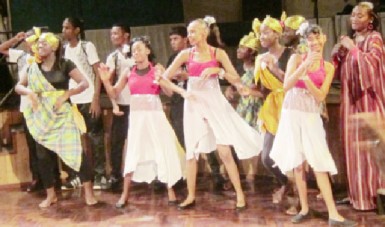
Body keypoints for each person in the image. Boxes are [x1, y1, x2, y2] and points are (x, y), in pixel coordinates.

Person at [161, 18, 262, 211]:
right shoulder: (185, 54)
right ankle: (191, 195)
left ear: (204, 33)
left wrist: (219, 71)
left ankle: (240, 194)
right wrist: (182, 91)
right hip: (193, 104)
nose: (190, 36)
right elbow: (164, 79)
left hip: (214, 102)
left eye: (193, 32)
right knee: (192, 152)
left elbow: (236, 78)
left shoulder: (218, 53)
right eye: (189, 32)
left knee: (224, 151)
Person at [270, 23, 356, 226]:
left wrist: (307, 79)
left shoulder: (328, 67)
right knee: (298, 163)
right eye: (310, 39)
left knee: (319, 162)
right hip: (292, 113)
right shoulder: (296, 58)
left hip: (310, 114)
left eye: (318, 39)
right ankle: (305, 208)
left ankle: (333, 214)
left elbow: (320, 96)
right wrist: (304, 65)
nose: (315, 43)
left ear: (324, 39)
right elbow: (286, 85)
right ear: (305, 41)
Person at [98, 36, 184, 208]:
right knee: (133, 152)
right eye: (133, 50)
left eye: (139, 48)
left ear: (148, 50)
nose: (135, 52)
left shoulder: (157, 68)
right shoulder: (128, 72)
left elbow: (168, 93)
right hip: (137, 118)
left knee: (162, 150)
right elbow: (114, 94)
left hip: (155, 116)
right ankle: (124, 194)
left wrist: (162, 79)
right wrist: (106, 80)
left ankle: (170, 192)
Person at [15, 32, 97, 208]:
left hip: (63, 116)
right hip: (42, 117)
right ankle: (51, 194)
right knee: (42, 156)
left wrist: (68, 93)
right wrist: (29, 92)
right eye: (38, 44)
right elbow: (18, 86)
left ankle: (89, 192)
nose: (39, 46)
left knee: (76, 153)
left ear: (53, 46)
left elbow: (84, 83)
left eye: (44, 43)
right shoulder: (32, 67)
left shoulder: (65, 64)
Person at [332, 1, 385, 211]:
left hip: (368, 101)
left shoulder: (375, 39)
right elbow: (340, 71)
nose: (354, 19)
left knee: (371, 150)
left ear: (370, 19)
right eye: (352, 15)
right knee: (353, 150)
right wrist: (338, 55)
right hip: (351, 100)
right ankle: (356, 195)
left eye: (360, 16)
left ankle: (374, 196)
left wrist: (353, 50)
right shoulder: (352, 39)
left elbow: (373, 67)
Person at [0, 27, 55, 192]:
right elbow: (1, 49)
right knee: (32, 146)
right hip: (27, 108)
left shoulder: (45, 58)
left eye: (31, 40)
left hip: (43, 107)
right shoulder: (22, 56)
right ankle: (37, 178)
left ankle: (54, 178)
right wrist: (16, 39)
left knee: (47, 144)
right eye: (27, 41)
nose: (28, 43)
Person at [62, 17, 106, 190]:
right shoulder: (64, 50)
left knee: (95, 137)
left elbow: (97, 73)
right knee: (73, 140)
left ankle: (100, 174)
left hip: (88, 99)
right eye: (63, 27)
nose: (64, 31)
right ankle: (77, 176)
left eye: (67, 27)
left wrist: (96, 99)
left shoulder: (87, 47)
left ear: (76, 30)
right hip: (73, 101)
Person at [253, 16, 292, 204]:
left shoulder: (290, 54)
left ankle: (295, 194)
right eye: (260, 33)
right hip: (271, 109)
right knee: (267, 157)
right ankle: (285, 183)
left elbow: (294, 83)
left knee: (292, 154)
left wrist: (275, 68)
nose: (262, 36)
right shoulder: (259, 58)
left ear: (277, 34)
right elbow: (261, 89)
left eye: (266, 32)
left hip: (290, 106)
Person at [105, 23, 135, 189]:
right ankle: (115, 175)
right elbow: (109, 84)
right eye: (111, 34)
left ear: (126, 35)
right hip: (122, 105)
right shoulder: (112, 57)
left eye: (116, 33)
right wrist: (114, 105)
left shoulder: (136, 53)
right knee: (116, 141)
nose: (113, 37)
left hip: (139, 104)